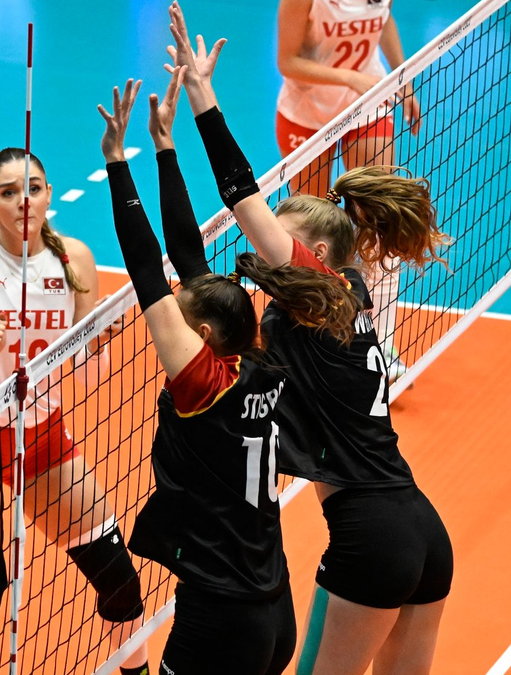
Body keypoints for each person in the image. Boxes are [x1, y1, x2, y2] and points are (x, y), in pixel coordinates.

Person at [171, 4, 452, 673]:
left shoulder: (318, 285)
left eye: (287, 228)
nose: (271, 234)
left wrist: (203, 98)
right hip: (421, 523)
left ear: (315, 250)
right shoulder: (352, 291)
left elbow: (243, 197)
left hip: (372, 538)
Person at [100, 62, 353, 673]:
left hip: (220, 617)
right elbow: (189, 264)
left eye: (181, 319)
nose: (170, 319)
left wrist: (117, 164)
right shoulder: (257, 363)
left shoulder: (203, 383)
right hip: (272, 604)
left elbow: (148, 274)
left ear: (203, 335)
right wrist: (163, 148)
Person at [0, 146, 149, 674]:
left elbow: (89, 377)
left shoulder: (75, 260)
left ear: (48, 193)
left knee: (119, 579)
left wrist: (96, 346)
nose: (25, 200)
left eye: (35, 187)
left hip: (43, 437)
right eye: (8, 192)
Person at [276, 0, 422, 380]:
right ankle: (311, 336)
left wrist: (401, 77)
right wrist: (348, 77)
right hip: (308, 114)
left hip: (368, 104)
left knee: (379, 224)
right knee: (311, 236)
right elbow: (287, 62)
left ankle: (380, 343)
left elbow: (384, 17)